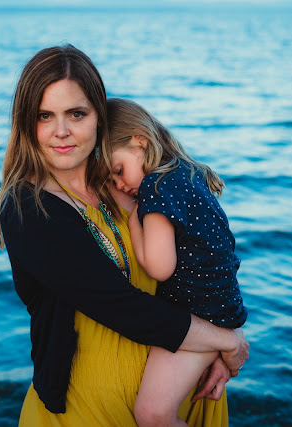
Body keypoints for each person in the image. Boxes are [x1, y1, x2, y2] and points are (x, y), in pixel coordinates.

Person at [0, 44, 249, 426]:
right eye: (45, 116)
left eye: (76, 114)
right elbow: (121, 307)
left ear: (100, 117)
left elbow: (206, 258)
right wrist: (227, 342)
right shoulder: (29, 209)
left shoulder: (130, 183)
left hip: (181, 390)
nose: (61, 131)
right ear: (26, 123)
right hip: (88, 412)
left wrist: (216, 344)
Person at [107, 97, 248, 426]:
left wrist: (132, 220)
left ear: (139, 141)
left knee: (153, 415)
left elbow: (159, 267)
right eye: (112, 183)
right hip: (221, 310)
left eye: (118, 171)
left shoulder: (155, 188)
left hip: (198, 317)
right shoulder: (188, 174)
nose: (120, 185)